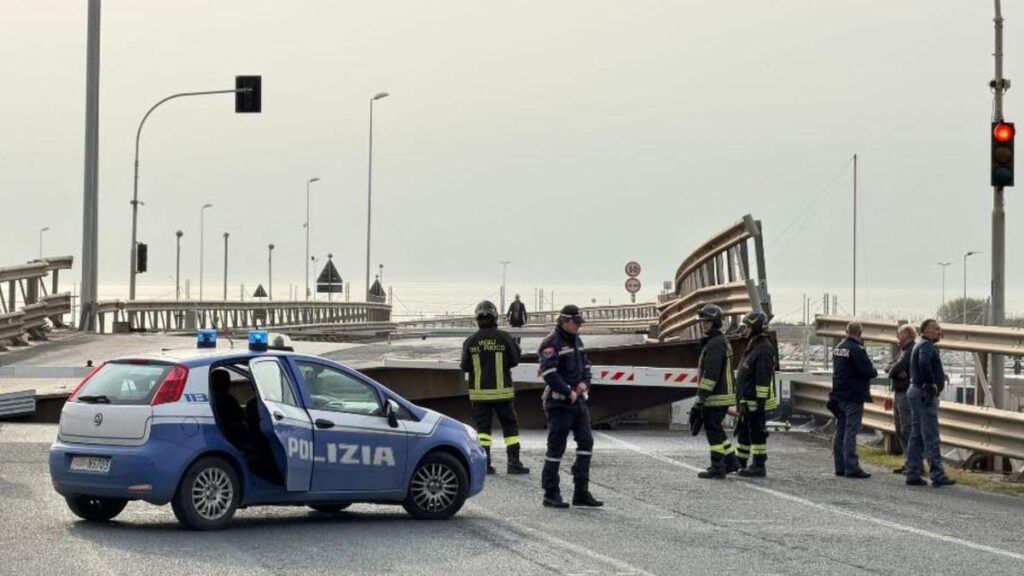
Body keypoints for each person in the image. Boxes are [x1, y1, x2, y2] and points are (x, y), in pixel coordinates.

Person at [539, 304, 603, 508]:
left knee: (586, 442)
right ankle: (551, 493)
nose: (578, 327)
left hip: (578, 402)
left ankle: (581, 492)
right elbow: (549, 373)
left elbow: (586, 366)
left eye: (579, 323)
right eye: (575, 323)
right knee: (556, 448)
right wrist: (568, 392)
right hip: (559, 404)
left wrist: (585, 383)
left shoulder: (577, 340)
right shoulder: (551, 342)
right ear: (564, 321)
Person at [460, 300, 530, 476]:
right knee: (510, 428)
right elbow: (515, 359)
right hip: (503, 394)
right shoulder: (504, 337)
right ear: (495, 316)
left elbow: (464, 366)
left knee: (483, 431)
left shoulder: (470, 341)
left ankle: (485, 464)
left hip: (479, 395)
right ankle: (513, 462)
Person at [906, 319, 957, 487]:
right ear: (926, 330)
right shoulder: (927, 346)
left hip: (915, 390)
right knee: (930, 434)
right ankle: (937, 473)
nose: (939, 332)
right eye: (936, 329)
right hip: (924, 393)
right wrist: (931, 383)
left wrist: (940, 376)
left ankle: (913, 471)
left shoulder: (918, 344)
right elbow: (924, 362)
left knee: (917, 434)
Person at [694, 304, 740, 479]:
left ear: (715, 323)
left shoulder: (715, 344)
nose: (703, 325)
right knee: (717, 430)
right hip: (720, 395)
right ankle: (730, 461)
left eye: (707, 322)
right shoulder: (719, 341)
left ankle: (717, 467)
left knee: (713, 432)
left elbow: (710, 375)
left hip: (716, 396)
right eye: (703, 322)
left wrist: (700, 398)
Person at [733, 310, 778, 478]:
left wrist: (759, 405)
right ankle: (741, 462)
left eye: (747, 327)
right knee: (744, 432)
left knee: (756, 432)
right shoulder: (754, 345)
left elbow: (762, 379)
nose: (744, 330)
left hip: (755, 400)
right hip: (747, 399)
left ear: (755, 327)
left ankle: (759, 465)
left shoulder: (763, 349)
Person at [830, 321, 877, 479]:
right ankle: (851, 466)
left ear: (846, 331)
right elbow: (868, 371)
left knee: (840, 431)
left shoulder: (839, 348)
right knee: (851, 431)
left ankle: (840, 466)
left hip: (838, 395)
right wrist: (874, 370)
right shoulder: (857, 349)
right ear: (860, 332)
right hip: (853, 396)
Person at [886, 323, 916, 474]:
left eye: (900, 333)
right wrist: (895, 370)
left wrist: (895, 370)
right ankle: (908, 461)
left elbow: (895, 368)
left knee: (907, 429)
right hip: (898, 392)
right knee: (899, 429)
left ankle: (914, 464)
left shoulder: (911, 350)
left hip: (906, 393)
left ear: (908, 335)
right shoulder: (902, 351)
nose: (898, 336)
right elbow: (889, 367)